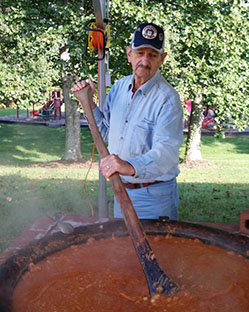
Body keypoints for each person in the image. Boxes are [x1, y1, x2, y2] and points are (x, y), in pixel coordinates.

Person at [72, 22, 183, 220]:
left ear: (162, 59)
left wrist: (128, 166)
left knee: (156, 251)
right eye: (140, 53)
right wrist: (89, 103)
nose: (145, 61)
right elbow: (106, 132)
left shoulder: (167, 98)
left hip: (154, 198)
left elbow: (166, 153)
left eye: (152, 55)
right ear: (129, 53)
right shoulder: (119, 88)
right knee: (123, 250)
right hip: (122, 191)